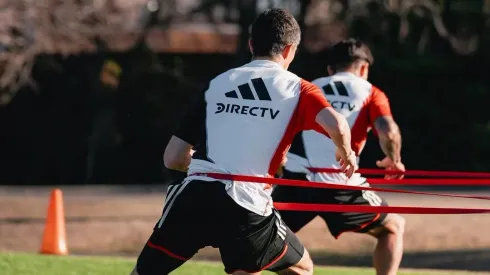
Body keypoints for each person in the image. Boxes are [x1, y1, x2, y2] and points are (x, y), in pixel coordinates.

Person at [130, 9, 358, 275]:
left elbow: (173, 158)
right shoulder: (299, 89)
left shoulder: (217, 84)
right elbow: (338, 124)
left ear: (251, 45)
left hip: (192, 198)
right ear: (289, 50)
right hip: (245, 205)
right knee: (302, 268)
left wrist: (210, 169)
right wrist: (346, 154)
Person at [272, 38, 406, 275]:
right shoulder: (371, 92)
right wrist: (393, 159)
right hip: (341, 184)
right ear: (364, 68)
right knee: (393, 227)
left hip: (296, 181)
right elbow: (389, 131)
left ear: (330, 69)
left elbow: (279, 127)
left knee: (268, 241)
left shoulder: (306, 86)